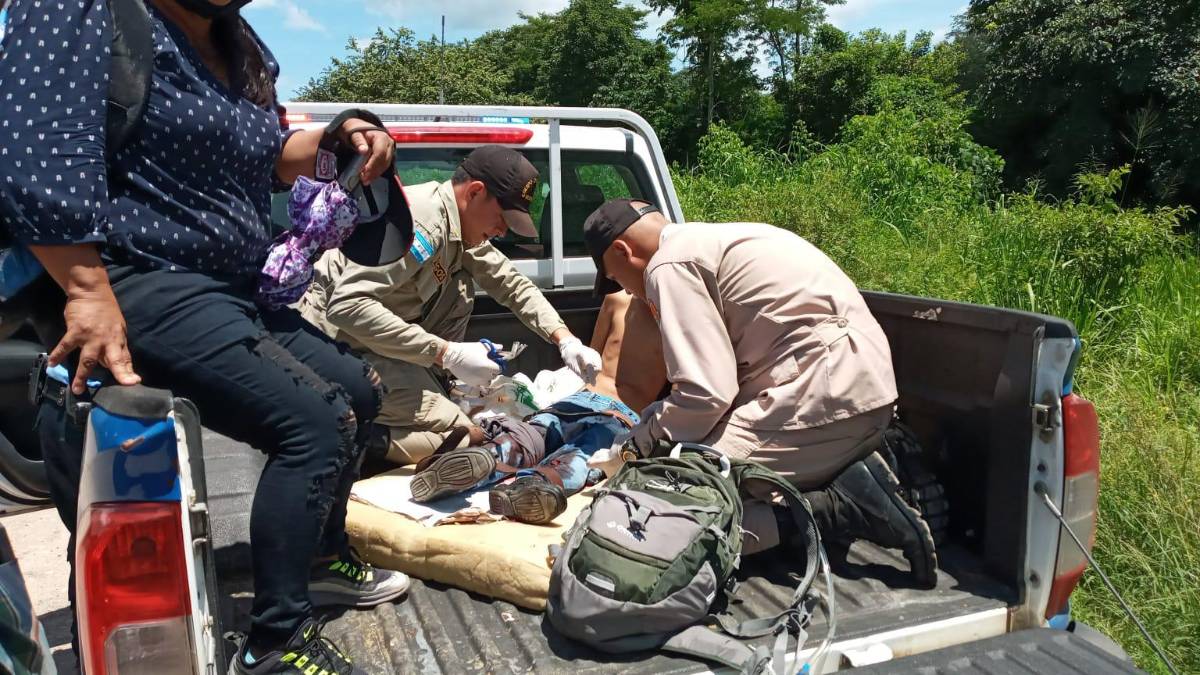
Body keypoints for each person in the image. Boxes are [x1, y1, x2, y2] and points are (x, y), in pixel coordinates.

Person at [0, 1, 409, 673]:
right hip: (140, 279)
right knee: (317, 421)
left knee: (357, 391)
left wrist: (343, 135)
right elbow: (32, 153)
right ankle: (276, 643)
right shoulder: (87, 11)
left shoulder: (236, 45)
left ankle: (315, 556)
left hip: (229, 288)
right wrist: (86, 291)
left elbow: (271, 159)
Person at [582, 199, 938, 587]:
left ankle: (841, 508)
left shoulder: (668, 266)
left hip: (823, 398)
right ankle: (857, 469)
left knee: (675, 499)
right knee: (698, 471)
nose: (625, 291)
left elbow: (705, 395)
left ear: (623, 251)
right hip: (858, 392)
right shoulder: (715, 239)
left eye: (617, 279)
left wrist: (639, 443)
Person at [300, 146, 604, 466]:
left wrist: (565, 339)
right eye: (502, 218)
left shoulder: (461, 226)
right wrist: (446, 353)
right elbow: (346, 306)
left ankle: (356, 429)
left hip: (380, 349)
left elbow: (511, 284)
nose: (503, 231)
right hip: (334, 346)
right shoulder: (421, 223)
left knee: (462, 422)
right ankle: (341, 439)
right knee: (460, 432)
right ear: (474, 192)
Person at [407, 290, 668, 524]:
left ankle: (491, 462)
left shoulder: (626, 303)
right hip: (613, 412)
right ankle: (528, 484)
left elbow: (589, 359)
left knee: (530, 441)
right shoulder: (666, 315)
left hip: (588, 404)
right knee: (579, 461)